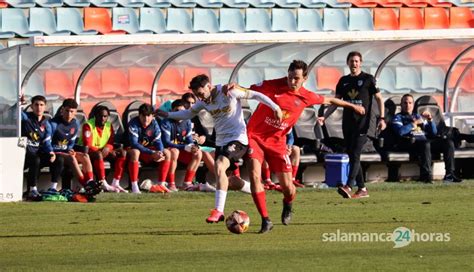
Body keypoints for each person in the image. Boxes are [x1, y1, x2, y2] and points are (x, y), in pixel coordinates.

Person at [239, 60, 365, 233]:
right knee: (254, 175)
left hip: (278, 142)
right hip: (256, 136)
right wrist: (231, 87)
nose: (292, 82)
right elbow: (247, 91)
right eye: (290, 77)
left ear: (304, 78)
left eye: (296, 78)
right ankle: (265, 220)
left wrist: (353, 106)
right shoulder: (273, 85)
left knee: (288, 188)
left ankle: (288, 203)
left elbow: (330, 99)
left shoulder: (307, 96)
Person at [156, 74, 282, 224]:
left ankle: (218, 211)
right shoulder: (203, 101)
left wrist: (275, 107)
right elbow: (188, 113)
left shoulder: (228, 91)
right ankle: (259, 191)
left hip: (238, 138)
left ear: (209, 86)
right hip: (221, 142)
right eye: (197, 95)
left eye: (201, 94)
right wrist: (167, 114)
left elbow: (255, 95)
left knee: (220, 165)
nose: (200, 98)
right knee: (231, 181)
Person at [320, 51, 386, 199]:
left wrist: (382, 118)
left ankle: (349, 186)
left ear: (360, 63)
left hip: (364, 124)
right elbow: (335, 103)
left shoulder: (368, 79)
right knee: (352, 155)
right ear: (347, 63)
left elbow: (380, 99)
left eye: (356, 61)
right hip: (348, 124)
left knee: (355, 153)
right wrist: (324, 117)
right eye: (351, 61)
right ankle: (362, 188)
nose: (354, 64)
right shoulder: (343, 81)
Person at [391, 94, 462, 183]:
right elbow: (400, 132)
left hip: (425, 141)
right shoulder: (398, 117)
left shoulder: (417, 116)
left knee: (448, 142)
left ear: (413, 105)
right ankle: (426, 176)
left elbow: (433, 133)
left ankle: (450, 175)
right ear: (401, 105)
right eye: (405, 103)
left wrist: (430, 120)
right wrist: (414, 124)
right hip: (411, 143)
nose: (407, 105)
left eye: (410, 103)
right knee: (426, 144)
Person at [21, 95, 64, 199]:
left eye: (41, 105)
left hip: (38, 154)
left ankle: (53, 188)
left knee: (59, 159)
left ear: (45, 107)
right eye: (36, 105)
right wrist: (20, 104)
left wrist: (51, 152)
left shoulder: (47, 124)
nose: (39, 107)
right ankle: (32, 190)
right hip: (26, 155)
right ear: (31, 106)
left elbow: (47, 142)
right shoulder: (26, 118)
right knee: (35, 160)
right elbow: (14, 114)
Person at [50, 99, 96, 192]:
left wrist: (71, 149)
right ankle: (85, 184)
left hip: (66, 151)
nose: (69, 114)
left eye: (72, 111)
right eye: (67, 111)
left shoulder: (75, 124)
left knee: (85, 156)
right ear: (62, 110)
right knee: (72, 158)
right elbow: (47, 142)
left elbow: (71, 142)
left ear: (75, 112)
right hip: (55, 152)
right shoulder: (53, 123)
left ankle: (90, 181)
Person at [79, 105, 127, 192]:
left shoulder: (109, 126)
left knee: (122, 153)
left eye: (105, 116)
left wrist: (108, 148)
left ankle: (116, 182)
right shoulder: (88, 125)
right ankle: (103, 182)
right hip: (88, 152)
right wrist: (101, 151)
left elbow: (111, 142)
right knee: (98, 154)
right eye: (100, 116)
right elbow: (87, 144)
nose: (102, 118)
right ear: (95, 116)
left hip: (103, 151)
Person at [159, 99, 204, 192]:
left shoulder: (187, 121)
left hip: (181, 150)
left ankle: (187, 183)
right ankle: (171, 183)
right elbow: (166, 142)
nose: (179, 113)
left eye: (182, 111)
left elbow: (189, 140)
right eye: (177, 111)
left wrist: (192, 146)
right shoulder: (166, 122)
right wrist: (184, 147)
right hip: (168, 151)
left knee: (198, 153)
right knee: (174, 152)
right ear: (171, 111)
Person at [127, 103, 171, 194]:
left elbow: (158, 141)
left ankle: (161, 184)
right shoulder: (133, 123)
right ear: (139, 115)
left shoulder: (154, 123)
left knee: (167, 153)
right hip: (131, 150)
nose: (146, 119)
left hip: (148, 151)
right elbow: (134, 143)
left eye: (148, 116)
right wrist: (152, 152)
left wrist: (160, 152)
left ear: (152, 116)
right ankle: (134, 186)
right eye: (143, 116)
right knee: (135, 152)